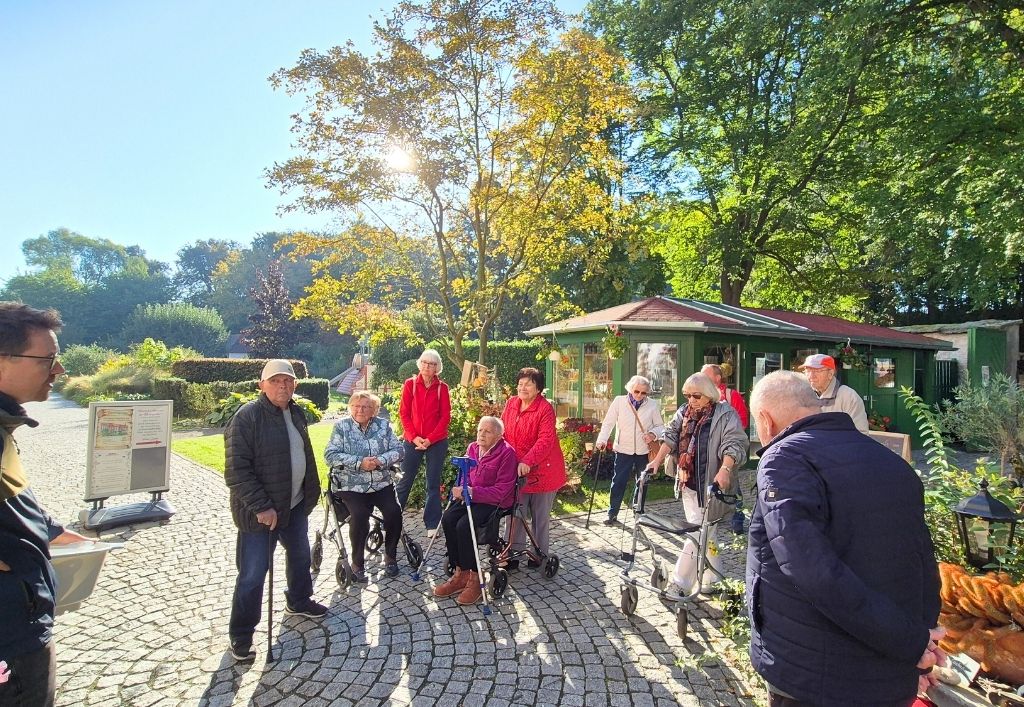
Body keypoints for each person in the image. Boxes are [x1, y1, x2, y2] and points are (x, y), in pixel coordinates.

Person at [746, 370, 944, 706]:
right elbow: (923, 562)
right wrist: (920, 640)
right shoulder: (891, 461)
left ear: (765, 420)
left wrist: (912, 644)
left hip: (814, 674)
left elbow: (811, 569)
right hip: (887, 671)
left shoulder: (783, 458)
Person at [0, 302, 90, 706]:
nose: (58, 371)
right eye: (49, 360)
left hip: (24, 617)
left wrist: (48, 529)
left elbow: (12, 493)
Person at [225, 359, 327, 663]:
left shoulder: (295, 412)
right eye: (276, 381)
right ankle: (241, 634)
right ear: (262, 385)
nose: (283, 386)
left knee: (300, 556)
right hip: (261, 515)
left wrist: (308, 494)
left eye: (288, 381)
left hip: (294, 506)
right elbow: (236, 471)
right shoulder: (247, 418)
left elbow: (303, 456)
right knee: (253, 574)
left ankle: (298, 600)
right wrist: (261, 506)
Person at [647, 372, 747, 594]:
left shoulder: (725, 414)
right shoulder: (684, 412)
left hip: (712, 485)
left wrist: (725, 469)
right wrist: (656, 460)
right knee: (705, 530)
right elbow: (671, 435)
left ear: (709, 395)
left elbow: (735, 444)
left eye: (696, 396)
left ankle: (680, 583)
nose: (691, 400)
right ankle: (714, 579)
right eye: (688, 395)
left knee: (697, 532)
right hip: (688, 483)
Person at [433, 416, 517, 604]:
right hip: (471, 496)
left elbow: (503, 490)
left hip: (493, 501)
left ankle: (474, 577)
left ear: (498, 435)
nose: (481, 434)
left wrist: (473, 492)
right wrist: (460, 488)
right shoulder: (472, 448)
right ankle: (459, 572)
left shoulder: (507, 453)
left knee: (464, 526)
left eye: (487, 431)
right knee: (448, 518)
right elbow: (465, 476)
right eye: (480, 430)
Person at [324, 391, 404, 582]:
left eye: (366, 407)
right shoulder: (341, 427)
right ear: (350, 407)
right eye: (356, 406)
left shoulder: (383, 426)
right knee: (359, 515)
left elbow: (399, 449)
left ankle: (391, 556)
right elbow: (330, 455)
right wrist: (359, 462)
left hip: (380, 482)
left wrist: (379, 461)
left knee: (394, 511)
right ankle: (357, 563)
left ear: (374, 410)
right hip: (351, 484)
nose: (360, 410)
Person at [502, 367, 566, 569]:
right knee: (515, 514)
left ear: (538, 388)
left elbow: (545, 440)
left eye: (528, 384)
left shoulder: (545, 409)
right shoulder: (511, 403)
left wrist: (527, 461)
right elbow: (502, 431)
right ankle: (513, 554)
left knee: (540, 518)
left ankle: (539, 554)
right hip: (517, 471)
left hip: (544, 472)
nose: (523, 388)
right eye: (520, 384)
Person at [394, 349, 452, 537]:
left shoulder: (442, 388)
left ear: (437, 368)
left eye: (432, 364)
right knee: (404, 481)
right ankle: (392, 520)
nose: (428, 366)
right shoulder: (410, 385)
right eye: (425, 363)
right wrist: (413, 437)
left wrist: (429, 440)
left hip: (435, 442)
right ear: (420, 364)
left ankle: (432, 524)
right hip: (413, 440)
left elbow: (445, 417)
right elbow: (404, 414)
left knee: (433, 484)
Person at [595, 375, 665, 526]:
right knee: (618, 481)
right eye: (636, 391)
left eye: (644, 393)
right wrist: (601, 440)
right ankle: (612, 512)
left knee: (642, 481)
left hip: (643, 450)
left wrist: (653, 434)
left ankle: (638, 511)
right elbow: (608, 423)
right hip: (623, 449)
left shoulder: (652, 405)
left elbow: (661, 426)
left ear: (648, 393)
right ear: (630, 389)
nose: (639, 395)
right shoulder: (619, 401)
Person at [798, 353, 869, 432]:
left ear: (830, 373)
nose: (811, 375)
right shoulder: (803, 395)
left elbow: (861, 434)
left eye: (817, 371)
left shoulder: (848, 396)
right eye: (808, 371)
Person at [700, 363, 749, 428]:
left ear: (718, 378)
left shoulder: (731, 395)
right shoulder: (697, 395)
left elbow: (743, 422)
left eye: (706, 376)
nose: (702, 379)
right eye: (701, 376)